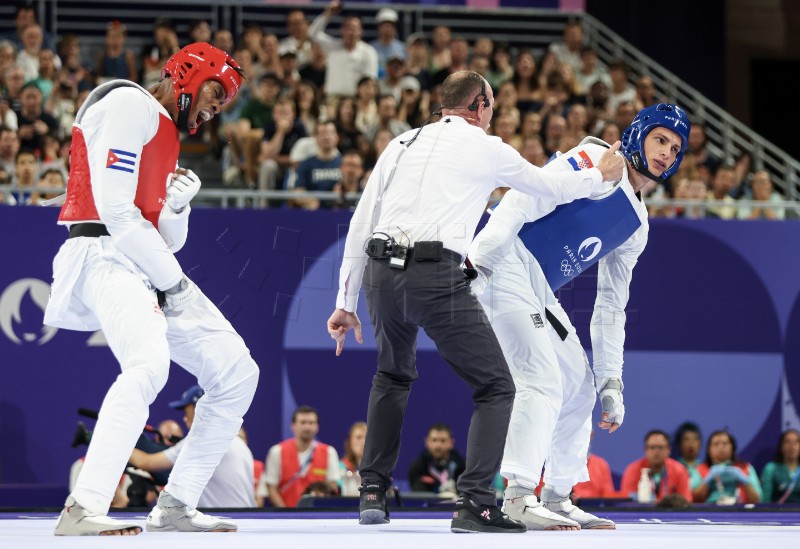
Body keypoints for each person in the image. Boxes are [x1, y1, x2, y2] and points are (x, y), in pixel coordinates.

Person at [326, 70, 623, 533]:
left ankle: (372, 491)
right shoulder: (487, 147)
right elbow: (546, 186)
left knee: (391, 375)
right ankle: (476, 503)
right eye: (493, 106)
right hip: (434, 276)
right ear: (480, 105)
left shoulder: (400, 143)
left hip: (381, 277)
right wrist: (598, 175)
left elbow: (362, 221)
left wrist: (345, 301)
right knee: (498, 387)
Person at [43, 42, 259, 535]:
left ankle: (176, 503)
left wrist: (178, 210)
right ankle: (83, 508)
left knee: (237, 372)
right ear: (187, 73)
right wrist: (173, 283)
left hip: (142, 262)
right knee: (148, 366)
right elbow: (117, 214)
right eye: (215, 91)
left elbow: (164, 240)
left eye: (224, 101)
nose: (217, 106)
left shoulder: (167, 136)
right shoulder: (127, 104)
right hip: (101, 254)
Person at [467, 103, 690, 530]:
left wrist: (612, 380)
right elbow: (520, 200)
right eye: (660, 139)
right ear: (638, 133)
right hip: (505, 260)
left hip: (537, 287)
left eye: (675, 148)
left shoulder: (638, 224)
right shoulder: (594, 159)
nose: (666, 152)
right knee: (542, 379)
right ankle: (516, 495)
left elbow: (611, 305)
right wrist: (481, 261)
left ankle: (558, 495)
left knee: (580, 387)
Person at [128, 385, 256, 508]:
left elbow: (146, 462)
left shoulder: (201, 439)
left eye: (186, 411)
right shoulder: (237, 441)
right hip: (248, 519)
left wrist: (119, 446)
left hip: (225, 521)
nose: (184, 418)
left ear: (199, 408)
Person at [258, 405, 341, 508]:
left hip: (318, 515)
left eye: (311, 423)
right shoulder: (277, 451)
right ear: (293, 426)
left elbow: (332, 486)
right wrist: (287, 514)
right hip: (286, 516)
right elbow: (271, 488)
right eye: (302, 422)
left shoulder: (329, 452)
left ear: (317, 427)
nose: (307, 427)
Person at [619, 430, 693, 503]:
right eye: (652, 447)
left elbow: (686, 501)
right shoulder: (633, 470)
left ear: (669, 450)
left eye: (660, 447)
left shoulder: (679, 470)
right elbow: (627, 501)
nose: (656, 452)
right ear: (645, 450)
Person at [693, 430, 762, 504]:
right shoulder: (700, 469)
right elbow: (693, 499)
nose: (721, 447)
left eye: (725, 443)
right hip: (708, 512)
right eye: (716, 444)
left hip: (740, 511)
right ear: (709, 449)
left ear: (733, 448)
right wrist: (707, 480)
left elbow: (757, 499)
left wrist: (744, 480)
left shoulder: (746, 468)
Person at [408, 424, 466, 496]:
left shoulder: (464, 467)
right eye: (434, 440)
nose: (438, 445)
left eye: (443, 440)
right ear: (427, 441)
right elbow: (420, 496)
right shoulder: (417, 467)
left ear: (451, 443)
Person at [760, 429, 800, 503]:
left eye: (796, 442)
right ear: (781, 446)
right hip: (778, 513)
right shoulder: (771, 468)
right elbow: (765, 500)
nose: (792, 447)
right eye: (787, 442)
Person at [339, 421, 367, 496]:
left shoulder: (377, 469)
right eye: (359, 437)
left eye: (367, 437)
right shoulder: (340, 468)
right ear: (350, 442)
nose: (363, 442)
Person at [674, 422, 704, 490]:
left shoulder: (705, 468)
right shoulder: (674, 468)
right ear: (679, 444)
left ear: (700, 444)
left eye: (695, 439)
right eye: (686, 439)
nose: (691, 444)